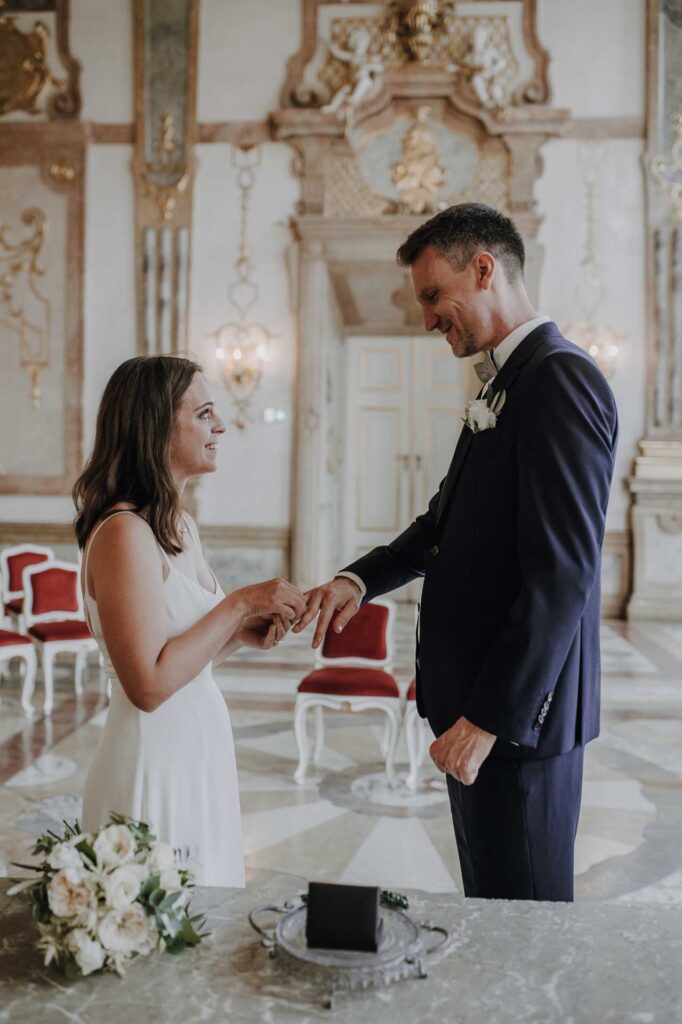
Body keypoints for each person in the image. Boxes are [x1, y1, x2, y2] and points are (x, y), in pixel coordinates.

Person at [295, 203, 618, 902]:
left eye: (433, 295)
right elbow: (440, 524)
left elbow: (564, 574)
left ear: (484, 269)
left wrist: (490, 720)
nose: (426, 319)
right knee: (493, 912)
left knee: (524, 928)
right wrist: (357, 581)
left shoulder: (559, 378)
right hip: (478, 713)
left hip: (515, 728)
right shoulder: (503, 383)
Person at [74, 355, 305, 886]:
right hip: (152, 757)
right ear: (154, 426)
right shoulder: (123, 533)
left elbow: (182, 659)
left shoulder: (178, 525)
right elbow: (148, 686)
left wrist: (239, 635)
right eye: (203, 414)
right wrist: (238, 605)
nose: (219, 426)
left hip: (198, 750)